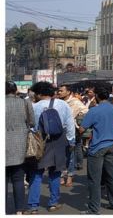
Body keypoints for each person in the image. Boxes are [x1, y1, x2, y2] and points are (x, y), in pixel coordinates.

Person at [26, 81, 75, 214]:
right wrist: (71, 141)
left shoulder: (34, 106)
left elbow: (31, 126)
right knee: (55, 172)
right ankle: (53, 202)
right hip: (59, 140)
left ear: (40, 93)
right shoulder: (62, 104)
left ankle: (33, 206)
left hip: (41, 141)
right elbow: (70, 123)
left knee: (36, 173)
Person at [79, 86, 113, 215]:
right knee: (112, 175)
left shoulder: (94, 111)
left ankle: (94, 209)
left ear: (96, 96)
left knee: (94, 179)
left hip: (97, 146)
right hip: (112, 145)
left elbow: (82, 129)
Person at [6, 81, 35, 214]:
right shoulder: (24, 102)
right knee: (18, 179)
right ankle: (19, 210)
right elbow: (32, 122)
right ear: (16, 90)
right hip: (19, 145)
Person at [58, 83, 88, 187]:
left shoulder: (75, 102)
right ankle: (61, 175)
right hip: (60, 131)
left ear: (68, 92)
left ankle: (70, 176)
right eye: (59, 90)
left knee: (70, 155)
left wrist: (78, 118)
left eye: (61, 91)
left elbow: (85, 111)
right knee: (60, 155)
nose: (59, 92)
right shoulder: (58, 102)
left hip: (71, 131)